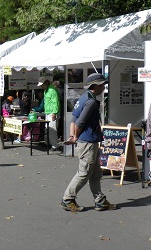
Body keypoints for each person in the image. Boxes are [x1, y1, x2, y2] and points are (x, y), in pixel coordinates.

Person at [60, 73, 116, 212]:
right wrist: (75, 137)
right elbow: (80, 122)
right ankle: (68, 199)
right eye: (103, 84)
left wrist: (73, 135)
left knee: (96, 174)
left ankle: (100, 201)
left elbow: (74, 119)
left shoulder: (84, 97)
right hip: (88, 142)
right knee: (84, 173)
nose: (104, 87)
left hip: (89, 141)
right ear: (96, 85)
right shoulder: (90, 101)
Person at [37, 77, 60, 149]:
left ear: (46, 83)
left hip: (52, 113)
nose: (41, 86)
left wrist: (54, 113)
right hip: (48, 112)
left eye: (42, 85)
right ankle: (48, 143)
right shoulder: (46, 90)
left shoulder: (52, 90)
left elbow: (55, 102)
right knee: (47, 128)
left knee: (52, 130)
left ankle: (55, 146)